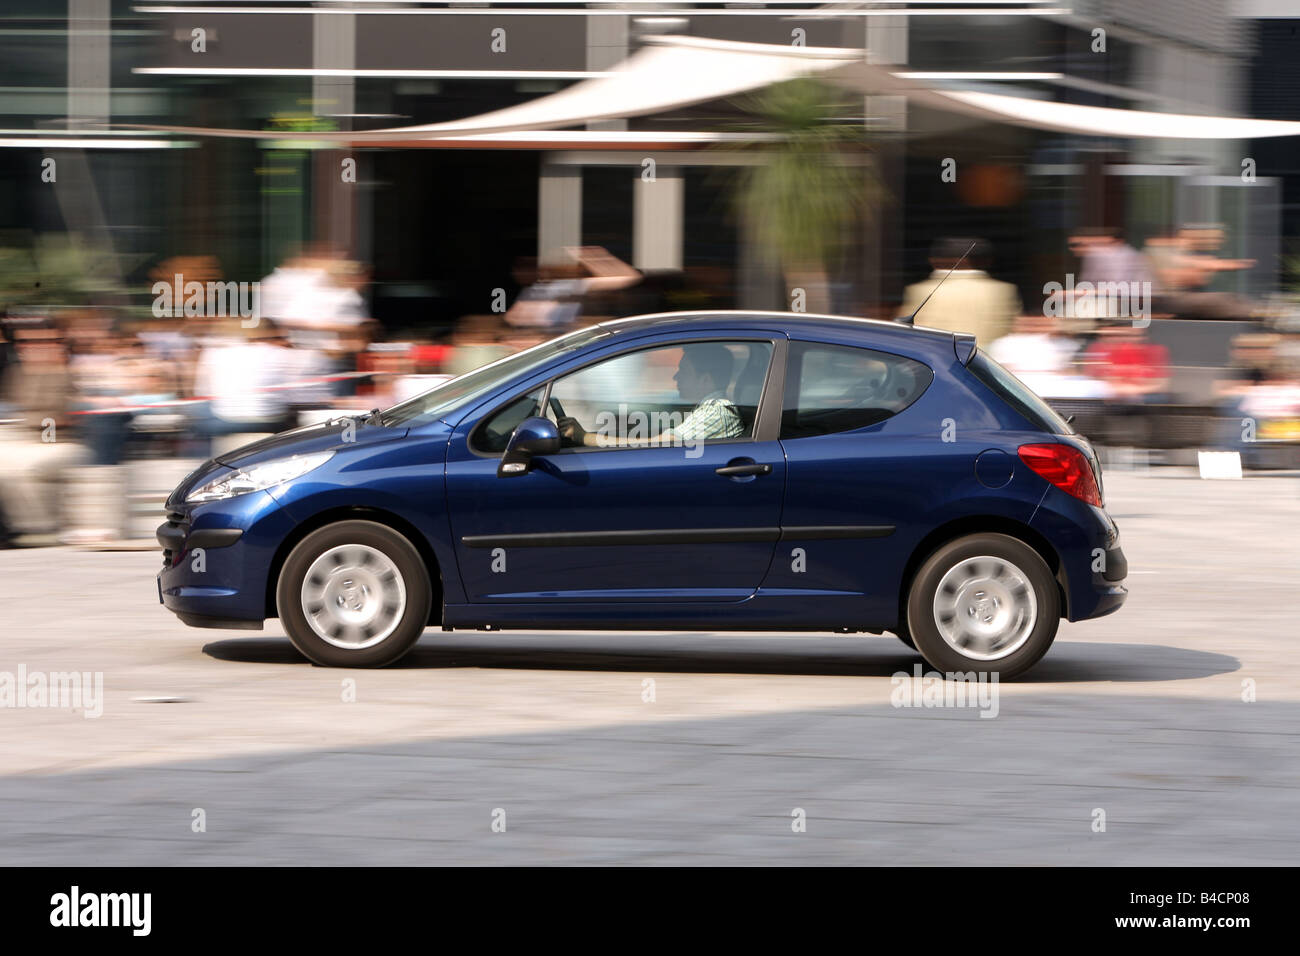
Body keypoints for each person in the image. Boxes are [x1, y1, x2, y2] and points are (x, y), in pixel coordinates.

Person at [557, 343, 743, 448]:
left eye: (684, 371)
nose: (675, 376)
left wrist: (586, 438)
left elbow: (662, 444)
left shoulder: (717, 411)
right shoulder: (706, 408)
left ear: (705, 380)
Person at [897, 237, 1020, 346]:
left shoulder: (918, 291)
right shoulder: (1003, 291)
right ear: (986, 261)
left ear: (934, 261)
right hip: (985, 368)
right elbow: (1010, 333)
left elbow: (906, 334)